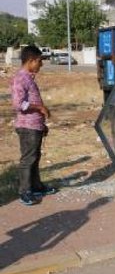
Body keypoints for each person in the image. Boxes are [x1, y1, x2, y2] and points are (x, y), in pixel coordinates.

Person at [10, 45, 58, 206]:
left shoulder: (29, 78)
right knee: (28, 159)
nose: (41, 65)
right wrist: (40, 108)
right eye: (39, 61)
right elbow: (18, 104)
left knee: (35, 158)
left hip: (35, 126)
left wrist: (42, 124)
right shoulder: (20, 78)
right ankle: (24, 191)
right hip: (27, 127)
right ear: (31, 61)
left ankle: (36, 186)